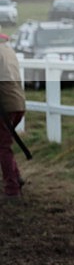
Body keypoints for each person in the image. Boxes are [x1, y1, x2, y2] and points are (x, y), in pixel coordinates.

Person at [0, 31, 26, 200]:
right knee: (4, 143)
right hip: (18, 103)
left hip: (6, 105)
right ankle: (16, 178)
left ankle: (12, 189)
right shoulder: (8, 51)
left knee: (2, 146)